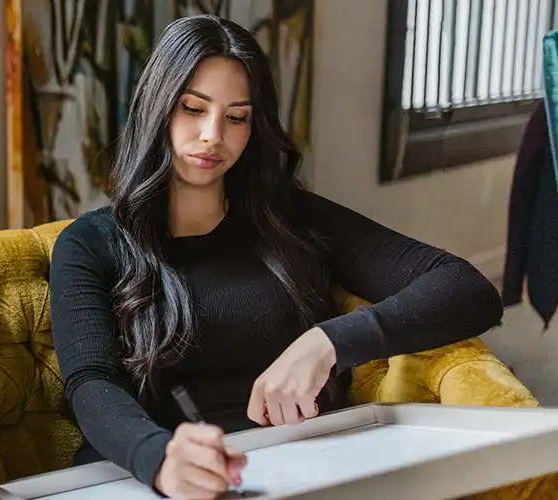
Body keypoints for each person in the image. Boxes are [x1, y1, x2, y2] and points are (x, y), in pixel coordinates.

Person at [48, 14, 504, 500]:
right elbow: (91, 384)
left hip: (297, 469)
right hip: (147, 480)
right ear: (156, 107)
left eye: (236, 117)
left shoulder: (292, 219)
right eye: (192, 108)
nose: (211, 135)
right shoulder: (91, 243)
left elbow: (467, 289)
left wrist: (327, 343)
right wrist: (159, 458)